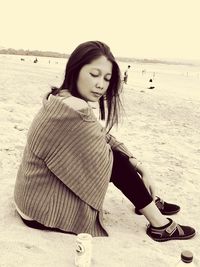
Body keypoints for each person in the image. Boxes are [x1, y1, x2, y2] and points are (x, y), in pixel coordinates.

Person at [14, 41, 195, 242]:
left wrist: (140, 166)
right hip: (41, 209)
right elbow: (111, 158)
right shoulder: (74, 110)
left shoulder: (59, 97)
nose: (101, 84)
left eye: (107, 79)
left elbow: (103, 136)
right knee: (113, 160)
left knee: (110, 154)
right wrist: (137, 168)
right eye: (94, 74)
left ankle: (145, 199)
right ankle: (159, 223)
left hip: (29, 198)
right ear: (75, 69)